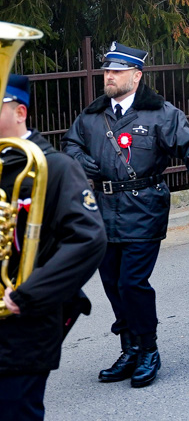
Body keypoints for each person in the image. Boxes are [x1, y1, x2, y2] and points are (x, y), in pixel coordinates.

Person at [62, 43, 189, 388]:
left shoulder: (162, 114)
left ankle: (149, 350)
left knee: (132, 282)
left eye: (117, 71)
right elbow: (71, 144)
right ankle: (130, 348)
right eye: (107, 71)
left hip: (143, 207)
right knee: (111, 283)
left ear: (136, 76)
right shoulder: (93, 115)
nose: (109, 76)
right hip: (101, 210)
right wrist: (80, 161)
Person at [0, 73, 107, 420]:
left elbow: (88, 239)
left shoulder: (56, 168)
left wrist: (28, 294)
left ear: (20, 112)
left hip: (23, 325)